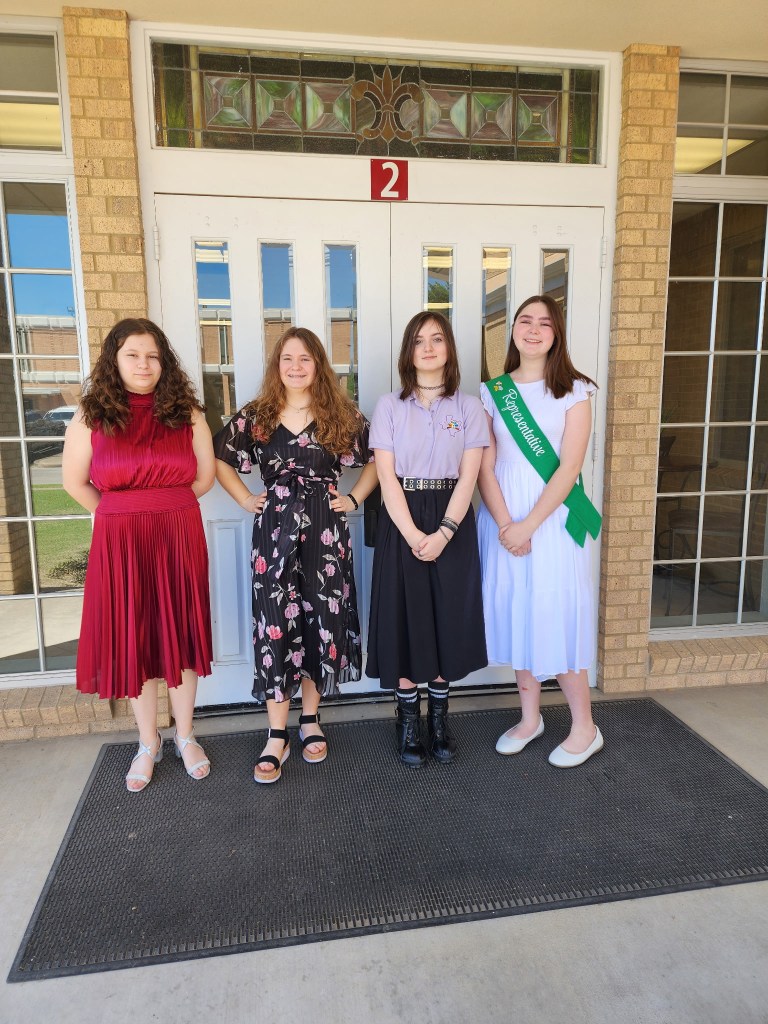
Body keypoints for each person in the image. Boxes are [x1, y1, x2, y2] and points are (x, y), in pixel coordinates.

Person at [213, 327, 378, 784]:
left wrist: (355, 498)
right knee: (275, 624)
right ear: (277, 365)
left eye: (305, 358)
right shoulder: (259, 416)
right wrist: (246, 500)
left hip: (326, 534)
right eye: (288, 358)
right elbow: (220, 457)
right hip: (274, 536)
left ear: (318, 365)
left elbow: (379, 457)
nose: (297, 366)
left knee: (320, 621)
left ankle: (310, 720)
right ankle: (275, 732)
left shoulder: (339, 415)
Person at [62, 318, 215, 792]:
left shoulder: (186, 411)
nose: (144, 364)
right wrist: (118, 514)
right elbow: (74, 482)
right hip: (121, 543)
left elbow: (204, 477)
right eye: (132, 354)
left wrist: (163, 507)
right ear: (115, 360)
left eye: (153, 355)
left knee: (182, 636)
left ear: (163, 361)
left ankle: (186, 735)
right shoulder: (92, 415)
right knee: (136, 640)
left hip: (177, 536)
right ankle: (147, 742)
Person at [477, 294, 604, 768]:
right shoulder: (494, 392)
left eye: (544, 323)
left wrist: (529, 524)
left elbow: (569, 467)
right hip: (504, 519)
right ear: (512, 330)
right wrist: (507, 525)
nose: (533, 330)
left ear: (557, 333)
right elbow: (484, 467)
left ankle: (585, 728)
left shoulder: (575, 389)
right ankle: (530, 719)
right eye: (524, 321)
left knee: (556, 613)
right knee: (520, 612)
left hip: (552, 523)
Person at [367, 311, 489, 768]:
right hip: (403, 524)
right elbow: (386, 477)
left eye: (438, 339)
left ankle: (438, 720)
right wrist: (415, 534)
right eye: (419, 341)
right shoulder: (389, 407)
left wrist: (444, 532)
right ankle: (406, 723)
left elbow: (469, 476)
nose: (429, 347)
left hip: (451, 522)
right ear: (409, 352)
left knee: (444, 621)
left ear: (449, 348)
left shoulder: (469, 407)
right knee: (405, 619)